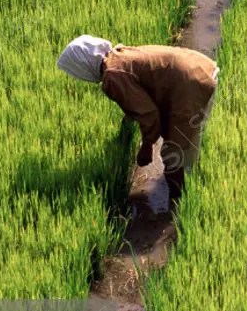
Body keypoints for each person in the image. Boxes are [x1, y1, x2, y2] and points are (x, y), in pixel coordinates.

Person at [56, 35, 218, 203]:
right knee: (185, 147)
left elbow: (148, 114)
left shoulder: (112, 76)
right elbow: (139, 91)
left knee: (172, 155)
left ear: (83, 66)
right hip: (200, 67)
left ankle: (179, 203)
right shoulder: (118, 54)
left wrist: (147, 146)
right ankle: (190, 182)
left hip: (190, 87)